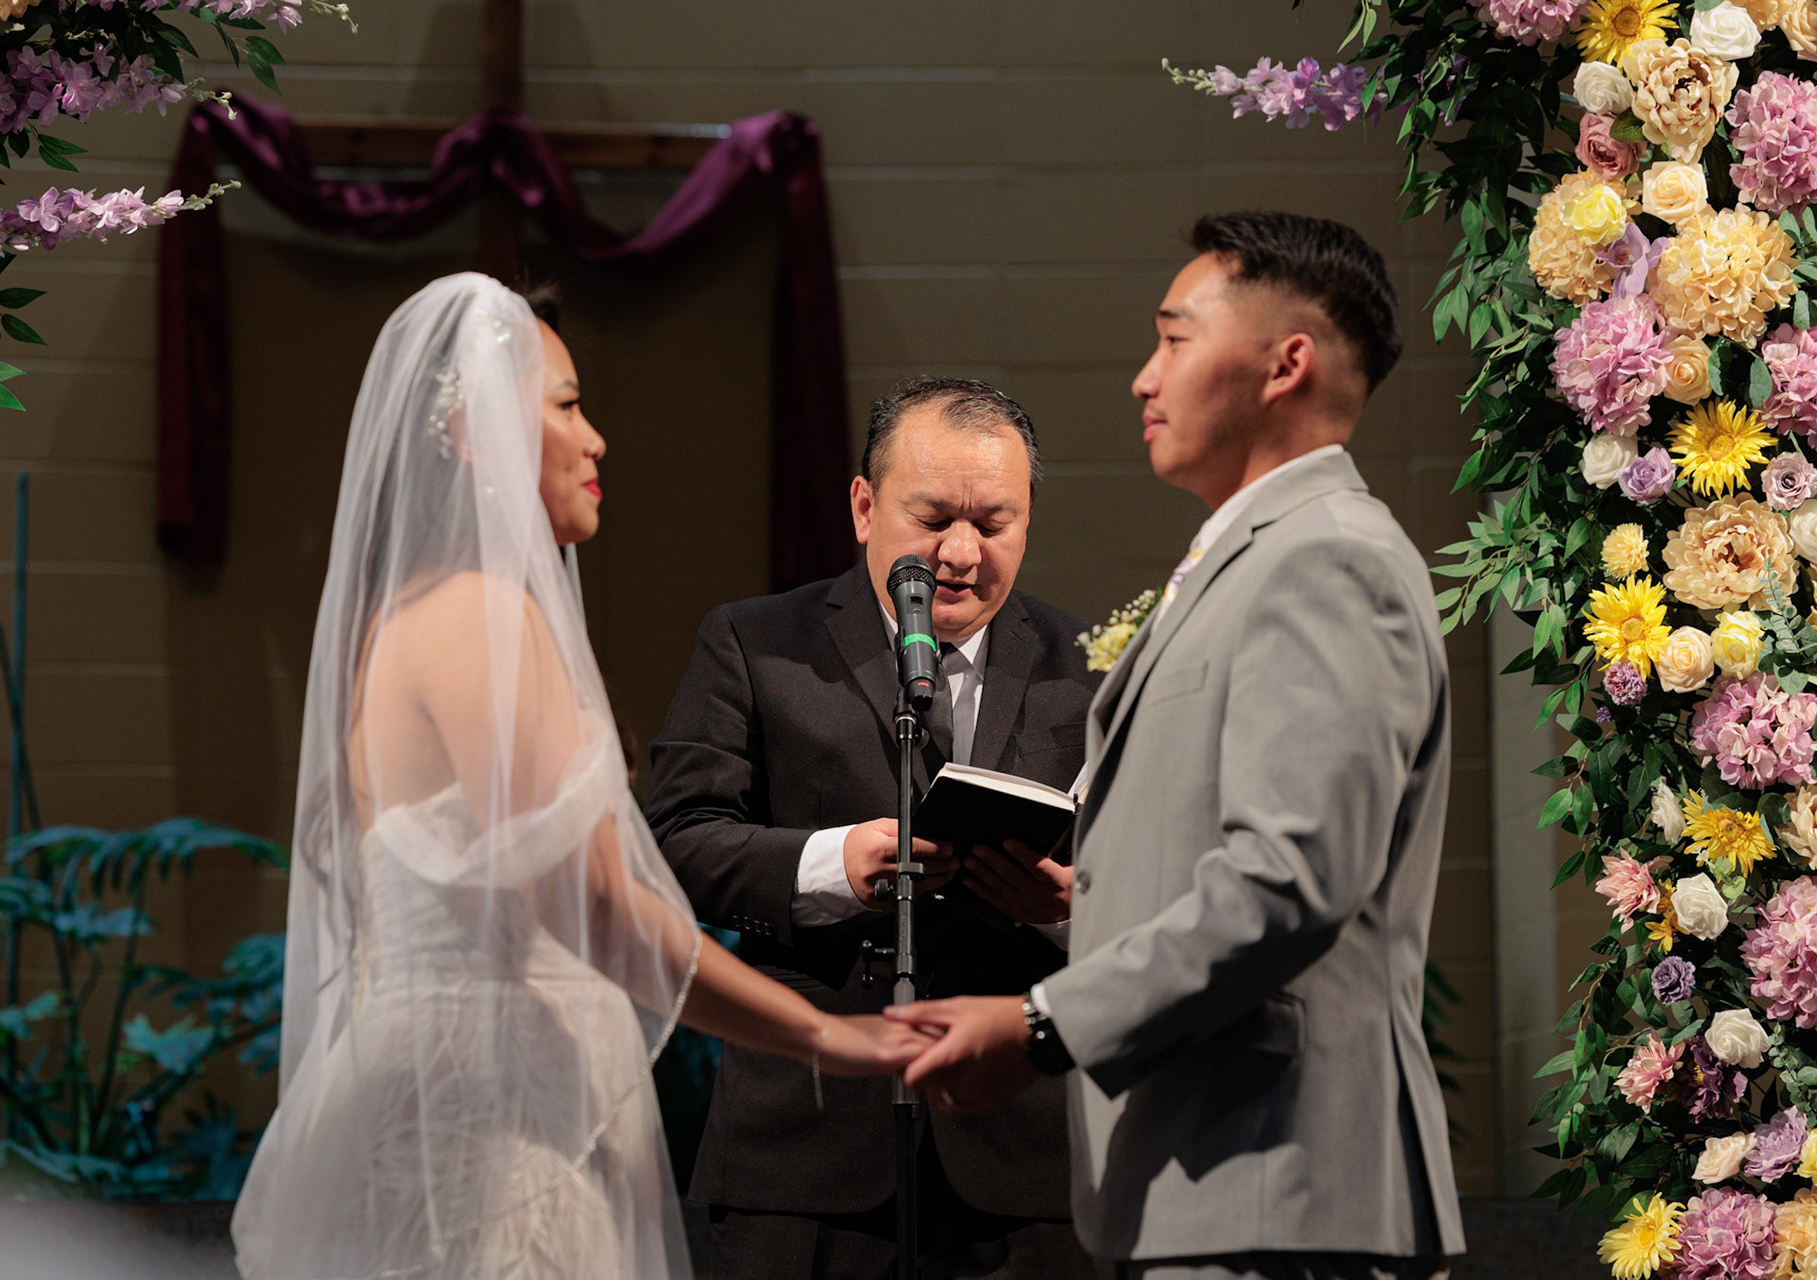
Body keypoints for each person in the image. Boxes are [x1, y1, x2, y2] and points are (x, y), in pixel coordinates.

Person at [231, 273, 929, 1280]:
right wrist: (827, 1036)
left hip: (454, 1089)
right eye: (565, 405)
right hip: (497, 1125)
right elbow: (596, 902)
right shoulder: (479, 614)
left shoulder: (405, 617)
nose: (596, 440)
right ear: (474, 431)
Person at [887, 212, 1467, 1280]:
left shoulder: (1327, 560)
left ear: (1286, 363)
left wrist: (1044, 1026)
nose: (1143, 379)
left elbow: (1290, 876)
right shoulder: (1257, 556)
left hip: (1276, 1180)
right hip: (1210, 1174)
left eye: (1174, 338)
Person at [646, 377, 1103, 1279]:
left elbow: (1164, 888)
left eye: (996, 523)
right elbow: (674, 839)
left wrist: (1068, 908)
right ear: (864, 507)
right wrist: (830, 863)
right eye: (933, 518)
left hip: (1025, 1157)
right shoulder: (754, 642)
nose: (962, 553)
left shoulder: (1089, 666)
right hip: (805, 1149)